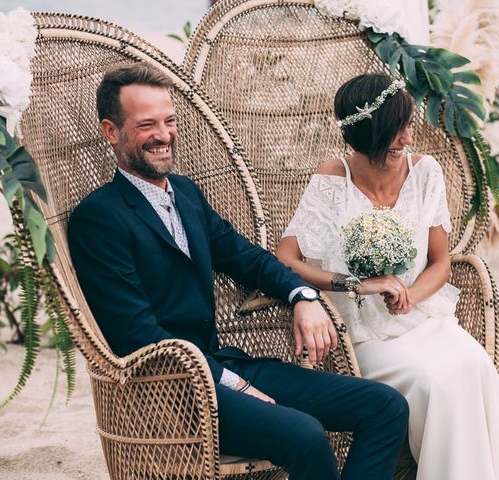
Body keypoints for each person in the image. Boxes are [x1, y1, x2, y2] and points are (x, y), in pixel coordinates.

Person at [67, 64, 409, 480]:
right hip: (171, 389)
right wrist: (233, 385)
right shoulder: (97, 218)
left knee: (386, 406)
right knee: (305, 434)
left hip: (224, 365)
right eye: (146, 125)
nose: (163, 134)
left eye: (169, 121)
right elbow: (136, 333)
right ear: (111, 131)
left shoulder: (187, 194)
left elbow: (250, 260)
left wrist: (303, 297)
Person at [276, 73, 499, 480]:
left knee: (473, 365)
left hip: (424, 318)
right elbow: (287, 260)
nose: (407, 138)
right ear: (367, 133)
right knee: (430, 380)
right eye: (396, 130)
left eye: (409, 125)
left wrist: (411, 295)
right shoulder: (331, 178)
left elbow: (440, 262)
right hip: (361, 333)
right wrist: (354, 284)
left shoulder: (426, 172)